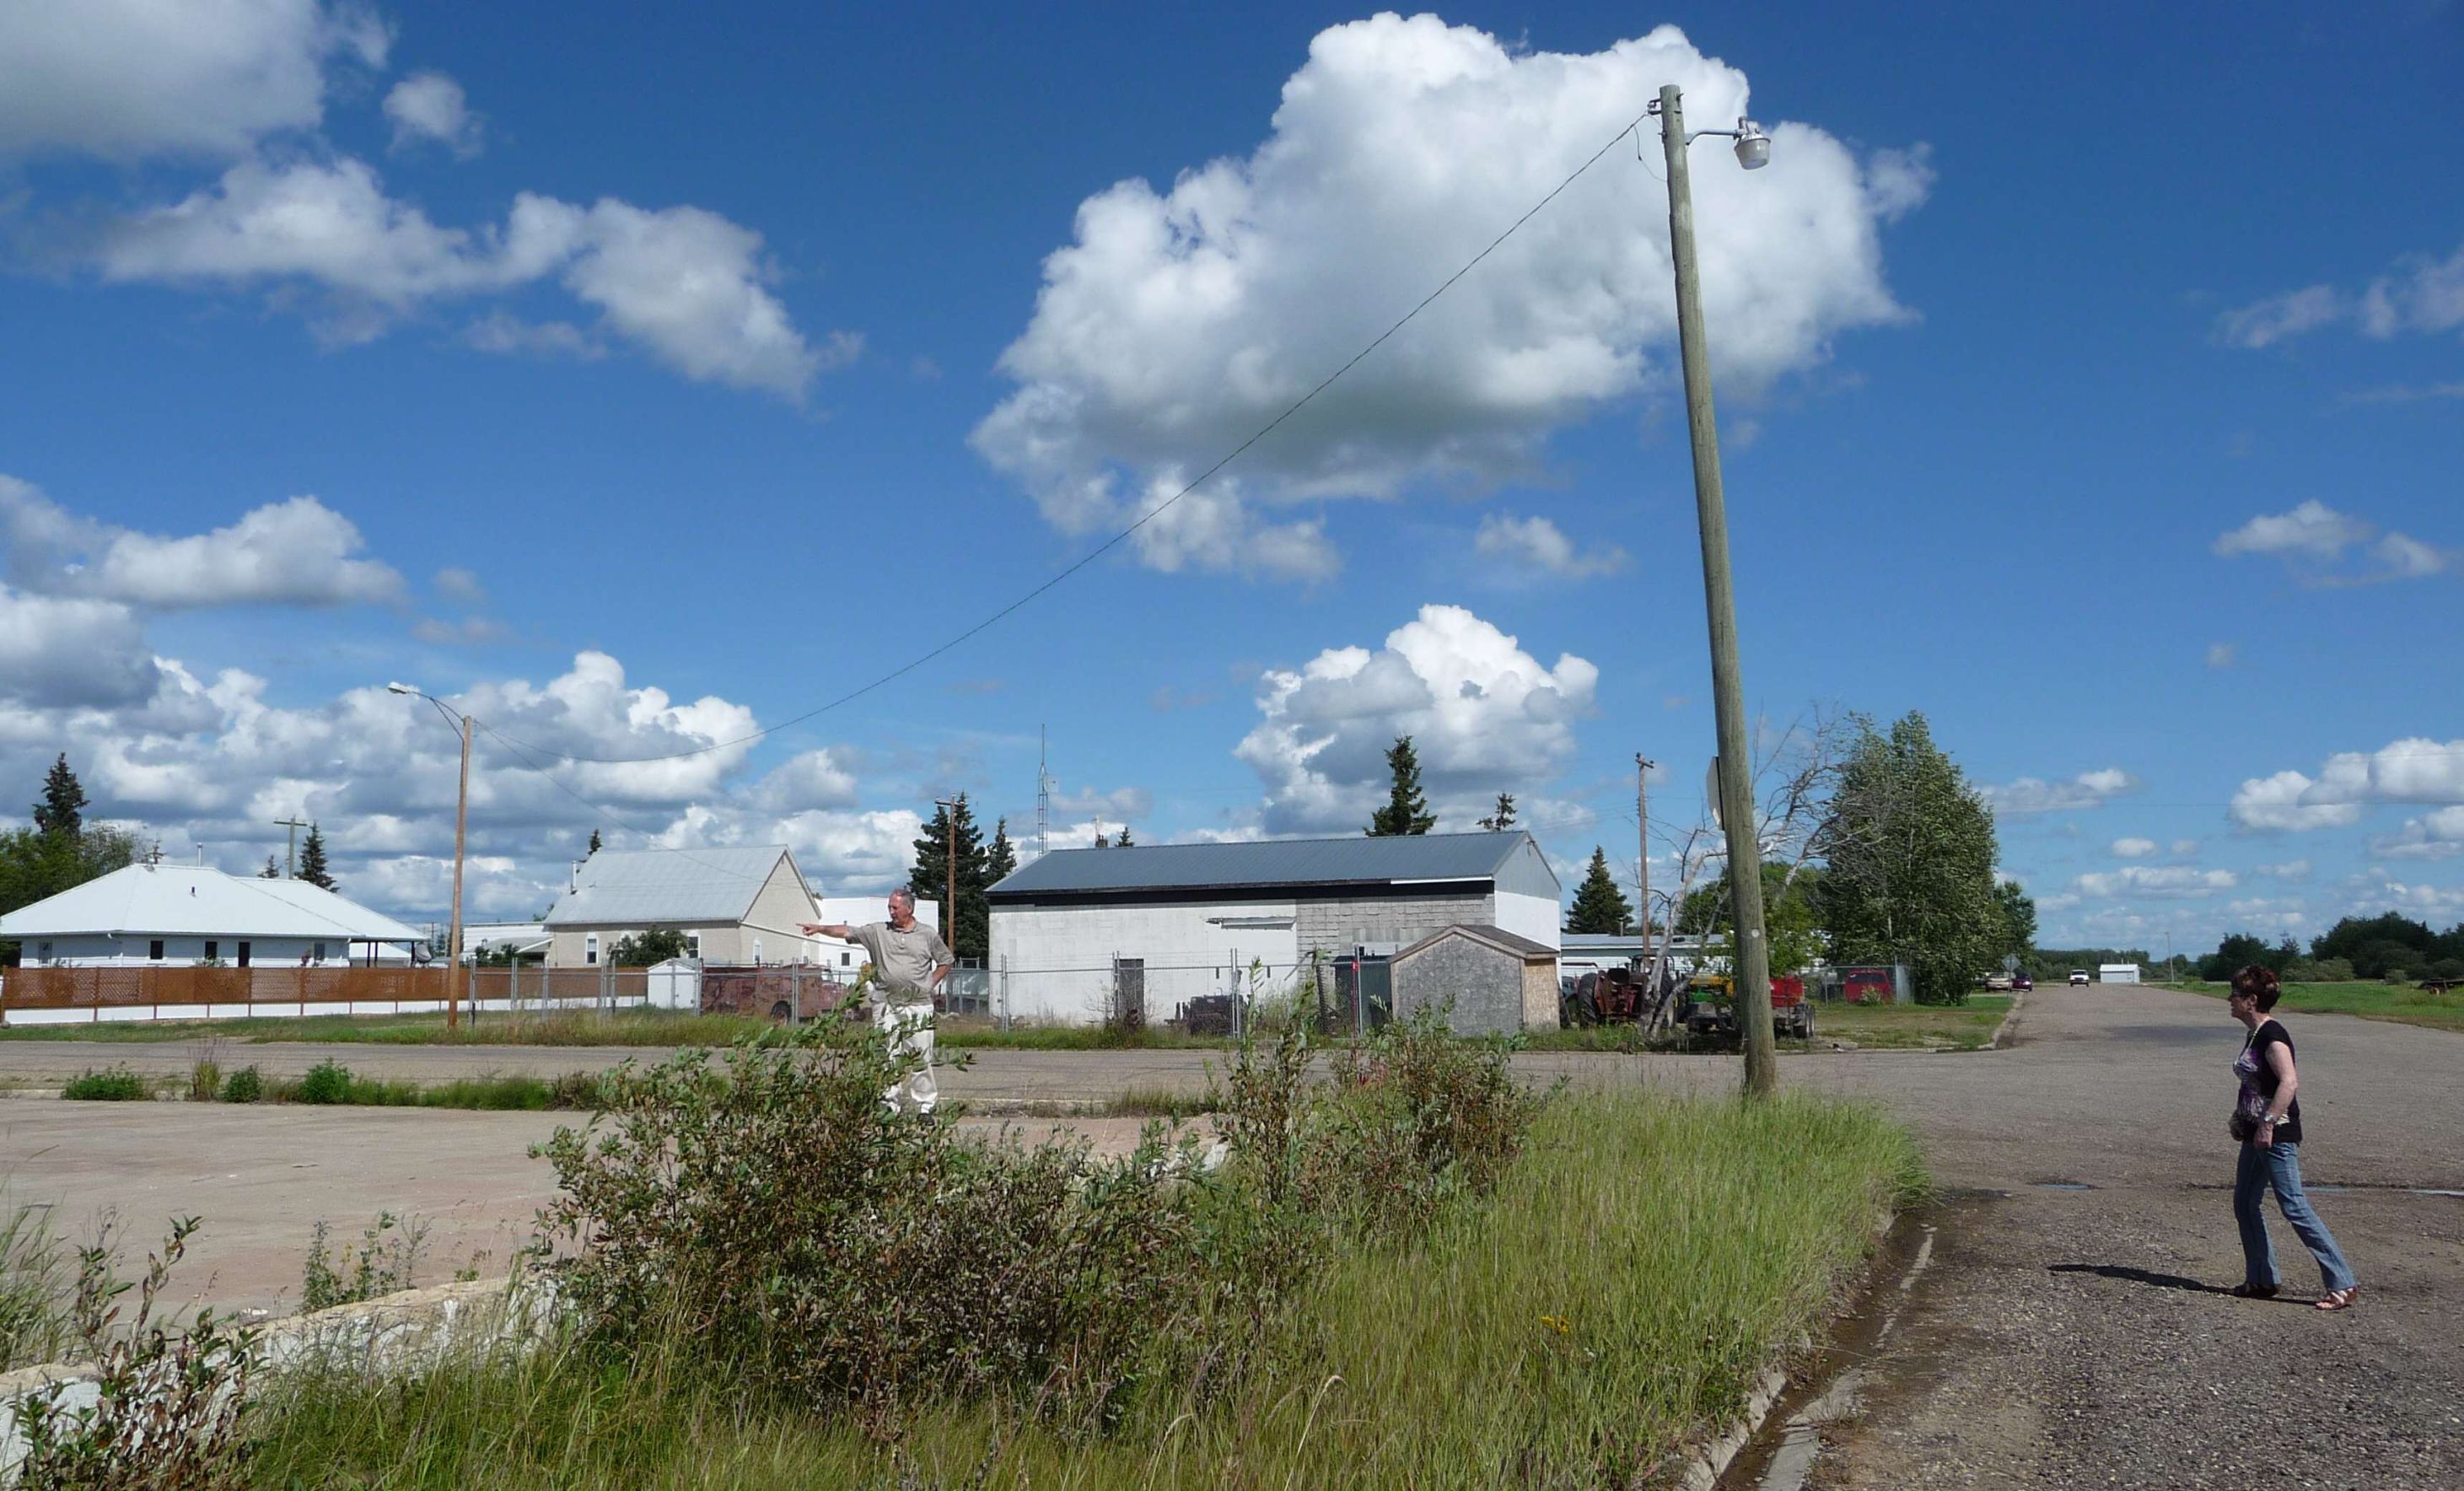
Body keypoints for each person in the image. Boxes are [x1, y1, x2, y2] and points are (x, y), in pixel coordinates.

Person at [2225, 964, 2359, 1310]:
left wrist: (2268, 1124)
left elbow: (2289, 1082)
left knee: (2294, 1206)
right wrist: (2245, 1121)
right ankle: (2262, 1279)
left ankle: (2342, 1283)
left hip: (2276, 1135)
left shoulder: (2273, 1036)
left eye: (2235, 995)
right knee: (2244, 1202)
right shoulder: (2255, 1034)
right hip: (2255, 1134)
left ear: (2251, 1001)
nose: (2230, 1000)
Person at [800, 889, 954, 1115]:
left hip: (918, 1005)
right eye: (889, 907)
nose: (891, 912)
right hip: (886, 1005)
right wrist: (821, 928)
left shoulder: (927, 934)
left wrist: (929, 984)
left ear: (909, 909)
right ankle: (889, 1106)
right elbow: (847, 931)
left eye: (895, 907)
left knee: (921, 1056)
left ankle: (925, 1108)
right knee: (887, 1055)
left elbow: (946, 960)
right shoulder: (878, 932)